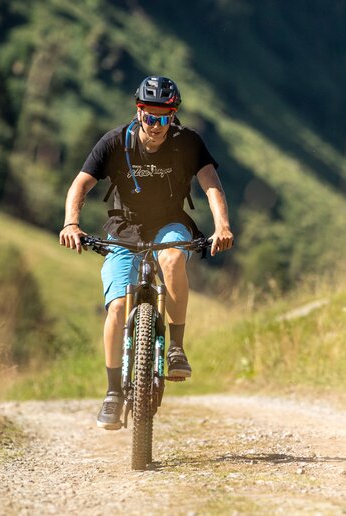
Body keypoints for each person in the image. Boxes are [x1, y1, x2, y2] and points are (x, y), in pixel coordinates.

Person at [59, 76, 233, 430]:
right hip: (124, 228)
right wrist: (70, 224)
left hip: (171, 222)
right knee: (119, 307)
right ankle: (112, 394)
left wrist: (223, 226)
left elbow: (211, 183)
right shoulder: (114, 142)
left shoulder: (188, 143)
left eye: (164, 118)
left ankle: (177, 348)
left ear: (174, 116)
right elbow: (81, 184)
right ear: (138, 112)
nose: (156, 126)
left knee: (171, 259)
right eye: (150, 117)